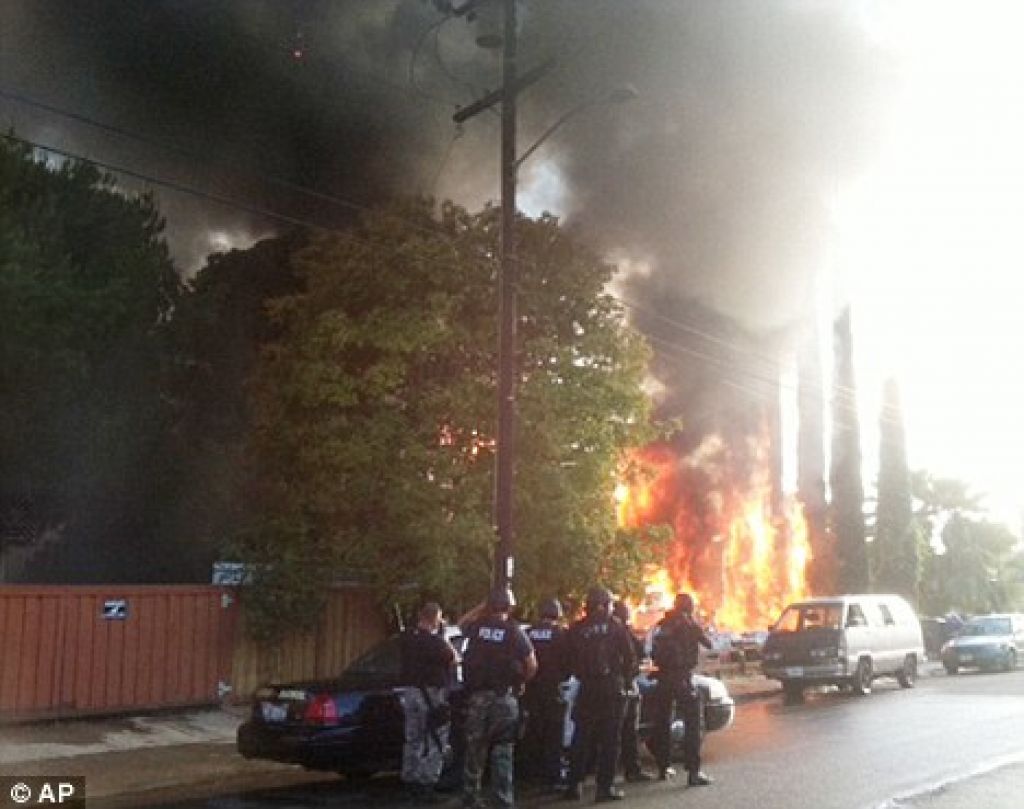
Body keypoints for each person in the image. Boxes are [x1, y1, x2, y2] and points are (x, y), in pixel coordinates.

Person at [461, 586, 538, 809]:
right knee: (502, 750)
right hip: (504, 698)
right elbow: (532, 664)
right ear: (509, 607)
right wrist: (521, 682)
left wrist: (481, 607)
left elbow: (461, 623)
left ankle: (471, 798)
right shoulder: (513, 631)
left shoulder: (476, 627)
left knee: (475, 748)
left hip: (477, 698)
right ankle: (502, 800)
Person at [562, 586, 636, 803]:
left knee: (581, 738)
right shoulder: (615, 627)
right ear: (604, 604)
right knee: (610, 740)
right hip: (611, 689)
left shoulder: (576, 628)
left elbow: (567, 659)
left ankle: (574, 785)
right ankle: (605, 788)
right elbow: (630, 657)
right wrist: (626, 680)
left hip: (586, 689)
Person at [650, 592, 714, 787]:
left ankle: (663, 767)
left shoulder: (663, 624)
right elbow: (709, 644)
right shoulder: (689, 624)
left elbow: (651, 650)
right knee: (693, 723)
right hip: (682, 679)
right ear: (689, 607)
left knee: (662, 722)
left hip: (662, 679)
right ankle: (693, 772)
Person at [399, 601, 459, 803]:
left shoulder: (407, 638)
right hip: (432, 694)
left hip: (410, 692)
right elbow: (454, 658)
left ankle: (410, 779)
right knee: (436, 738)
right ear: (435, 619)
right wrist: (443, 635)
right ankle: (427, 783)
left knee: (412, 737)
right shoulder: (436, 642)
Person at [521, 597, 569, 788]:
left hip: (530, 691)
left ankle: (529, 775)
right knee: (553, 735)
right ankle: (552, 776)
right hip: (552, 690)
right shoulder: (561, 634)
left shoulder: (528, 633)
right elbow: (569, 663)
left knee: (532, 733)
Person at [611, 601, 655, 783]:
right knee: (628, 729)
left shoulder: (584, 628)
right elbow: (640, 651)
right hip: (624, 685)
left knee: (603, 732)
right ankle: (632, 770)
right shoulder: (621, 630)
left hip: (596, 687)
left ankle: (586, 779)